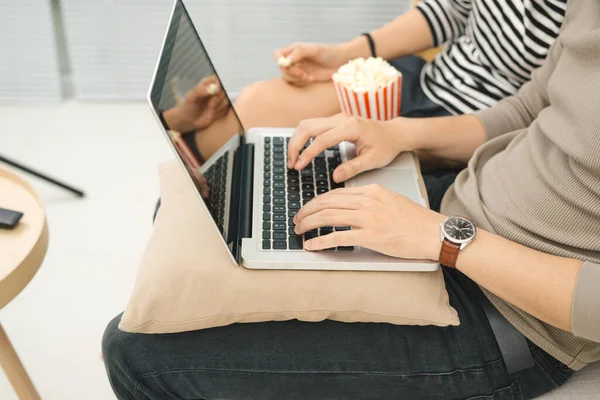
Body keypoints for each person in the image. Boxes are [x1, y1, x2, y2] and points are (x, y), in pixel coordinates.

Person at [102, 0, 600, 398]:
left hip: (513, 318)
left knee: (135, 352)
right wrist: (397, 133)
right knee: (207, 211)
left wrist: (443, 239)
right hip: (459, 203)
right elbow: (531, 107)